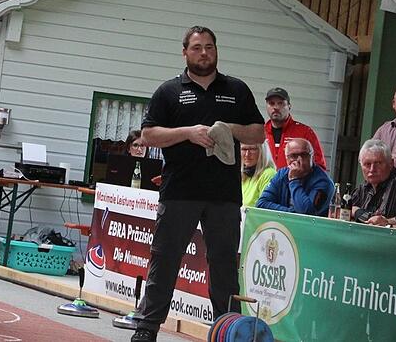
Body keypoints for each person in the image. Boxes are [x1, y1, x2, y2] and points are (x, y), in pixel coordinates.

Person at [132, 26, 264, 342]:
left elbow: (258, 132)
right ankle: (147, 328)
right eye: (196, 47)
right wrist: (188, 133)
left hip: (224, 194)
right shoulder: (168, 91)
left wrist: (228, 129)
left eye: (209, 47)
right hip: (179, 191)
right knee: (165, 259)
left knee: (224, 266)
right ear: (185, 53)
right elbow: (148, 135)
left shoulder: (237, 89)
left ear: (216, 50)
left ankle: (229, 331)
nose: (204, 53)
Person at [255, 138, 333, 216]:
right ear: (287, 159)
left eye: (304, 155)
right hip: (282, 222)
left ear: (312, 157)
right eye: (294, 156)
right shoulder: (282, 174)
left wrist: (294, 180)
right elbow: (261, 204)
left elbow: (306, 214)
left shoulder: (323, 182)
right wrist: (291, 213)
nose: (299, 160)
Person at [350, 139, 396, 221]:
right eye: (367, 164)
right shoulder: (366, 185)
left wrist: (357, 212)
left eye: (378, 163)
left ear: (391, 164)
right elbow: (345, 209)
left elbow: (380, 221)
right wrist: (357, 212)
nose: (372, 169)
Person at [262, 87, 326, 170]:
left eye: (280, 103)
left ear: (289, 106)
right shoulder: (259, 132)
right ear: (266, 106)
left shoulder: (305, 132)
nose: (276, 107)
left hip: (294, 179)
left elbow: (319, 167)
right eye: (271, 103)